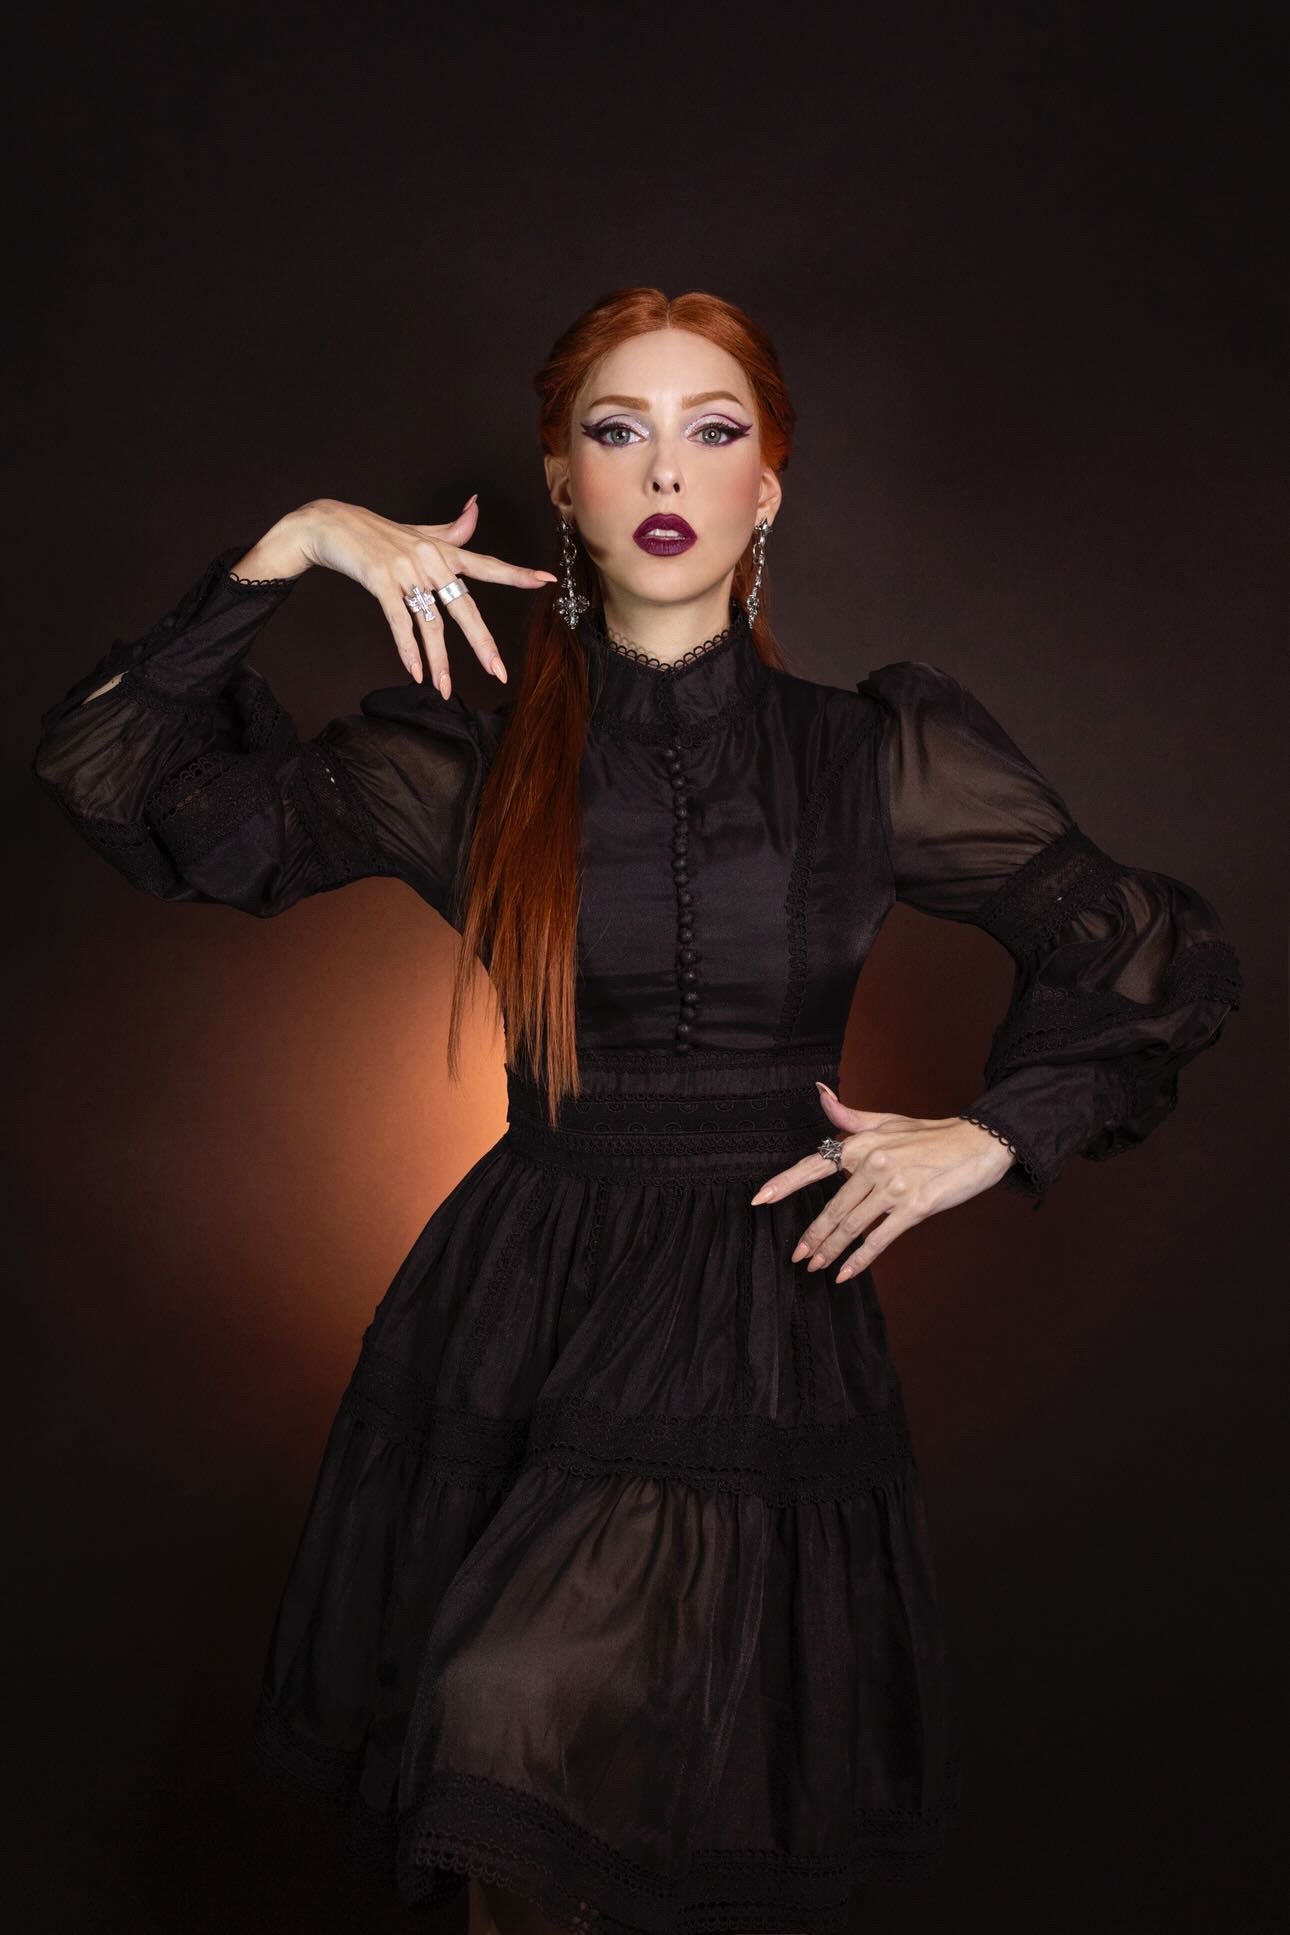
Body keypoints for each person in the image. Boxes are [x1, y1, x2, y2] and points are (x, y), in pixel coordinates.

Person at [31, 286, 1244, 1935]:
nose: (665, 468)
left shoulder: (870, 755)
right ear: (564, 484)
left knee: (515, 1716)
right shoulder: (464, 766)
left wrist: (993, 1134)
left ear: (767, 489)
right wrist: (292, 545)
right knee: (523, 1808)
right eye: (618, 431)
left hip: (756, 1294)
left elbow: (1142, 951)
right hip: (518, 1292)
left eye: (711, 430)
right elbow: (115, 777)